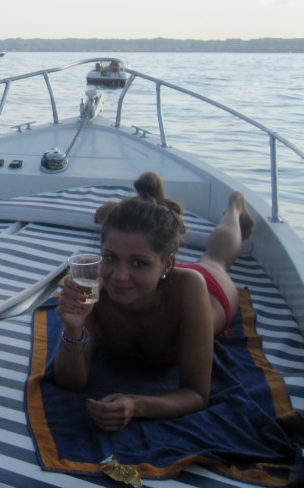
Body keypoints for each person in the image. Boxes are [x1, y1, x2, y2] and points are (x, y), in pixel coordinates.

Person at [54, 172, 253, 432]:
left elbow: (196, 393)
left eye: (138, 262)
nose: (119, 277)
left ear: (167, 264)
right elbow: (72, 383)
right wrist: (73, 328)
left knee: (216, 260)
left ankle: (235, 207)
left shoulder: (190, 287)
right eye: (111, 257)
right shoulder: (96, 286)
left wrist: (136, 405)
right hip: (154, 279)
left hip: (211, 296)